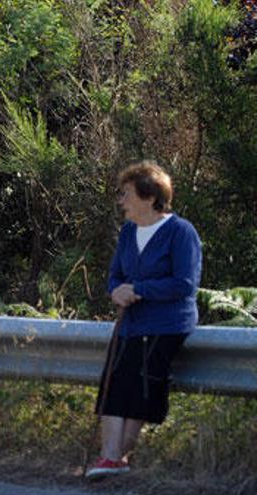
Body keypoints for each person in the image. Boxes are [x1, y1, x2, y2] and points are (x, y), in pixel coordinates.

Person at [85, 160, 202, 480]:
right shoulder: (127, 232)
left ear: (150, 198)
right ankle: (109, 458)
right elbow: (115, 277)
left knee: (141, 387)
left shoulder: (181, 232)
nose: (120, 201)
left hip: (166, 324)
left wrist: (138, 290)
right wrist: (116, 292)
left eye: (126, 194)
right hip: (131, 323)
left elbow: (186, 283)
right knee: (113, 384)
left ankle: (117, 458)